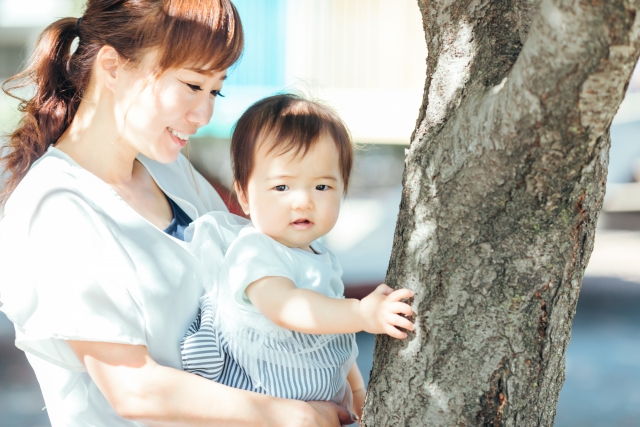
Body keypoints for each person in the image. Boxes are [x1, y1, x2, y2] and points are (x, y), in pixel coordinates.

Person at [0, 1, 357, 426]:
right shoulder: (54, 207)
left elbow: (265, 280)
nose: (204, 114)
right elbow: (134, 389)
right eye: (191, 85)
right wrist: (293, 416)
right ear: (113, 67)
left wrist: (346, 379)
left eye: (215, 90)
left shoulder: (168, 169)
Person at [180, 94, 415, 421]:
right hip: (264, 409)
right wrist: (362, 313)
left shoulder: (321, 257)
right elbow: (286, 307)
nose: (303, 201)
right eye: (282, 188)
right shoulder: (255, 251)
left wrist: (358, 391)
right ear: (245, 196)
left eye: (321, 187)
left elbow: (334, 336)